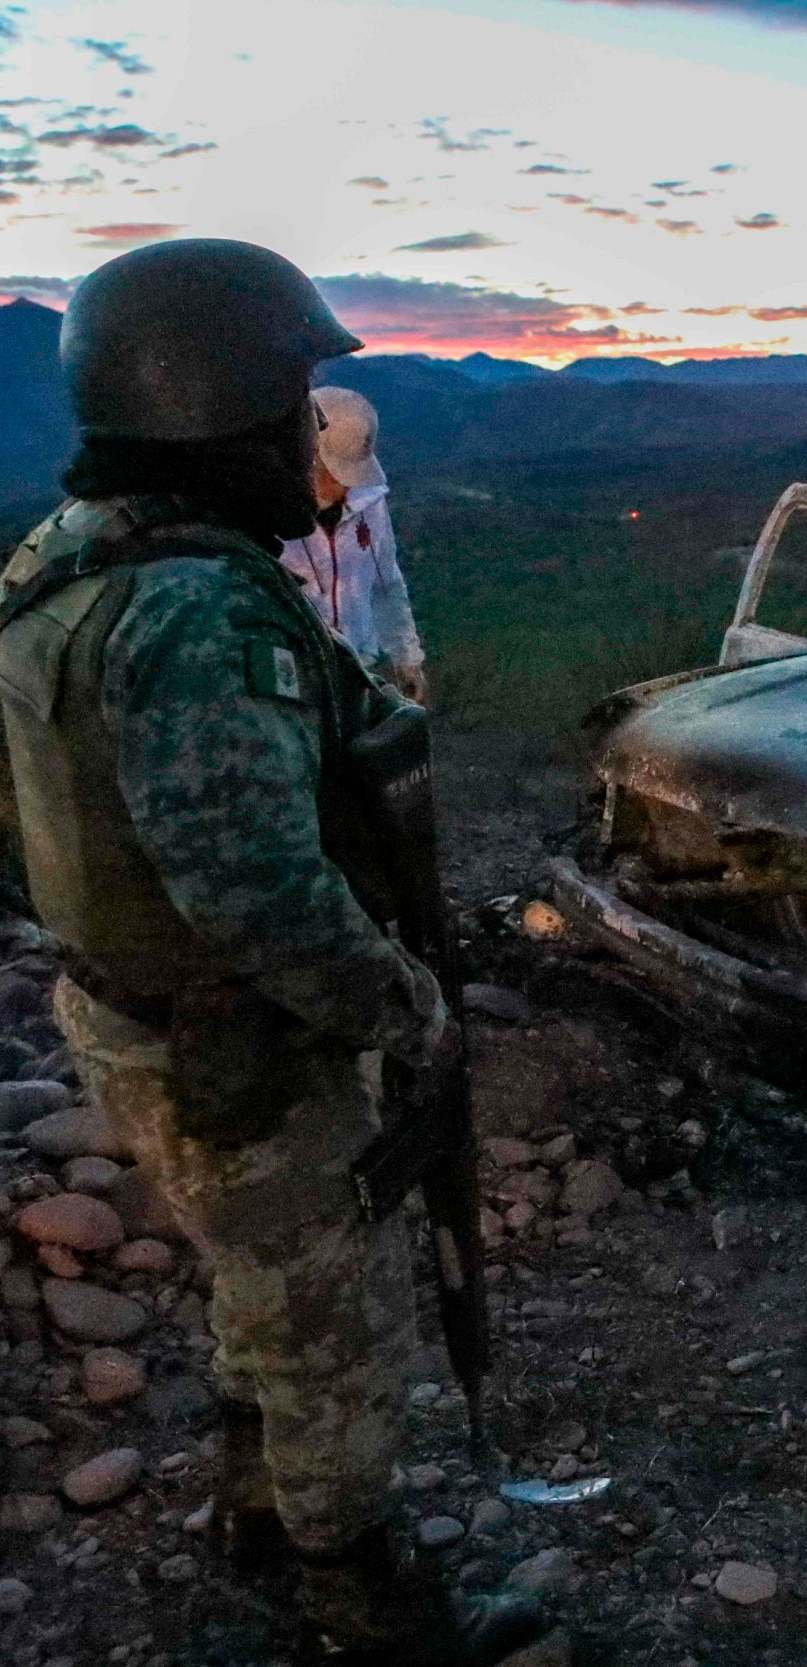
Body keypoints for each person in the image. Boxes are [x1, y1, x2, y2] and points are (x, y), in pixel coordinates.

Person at [0, 239, 545, 1665]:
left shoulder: (66, 559)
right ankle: (360, 1600)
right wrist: (403, 1004)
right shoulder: (196, 608)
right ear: (215, 410)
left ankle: (257, 1513)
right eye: (296, 402)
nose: (313, 435)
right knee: (328, 1324)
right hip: (231, 1033)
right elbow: (256, 889)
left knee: (257, 1278)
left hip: (131, 1009)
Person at [278, 385, 430, 703]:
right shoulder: (267, 513)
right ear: (310, 456)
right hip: (294, 674)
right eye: (338, 474)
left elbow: (386, 582)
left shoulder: (370, 500)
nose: (348, 485)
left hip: (358, 670)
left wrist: (407, 660)